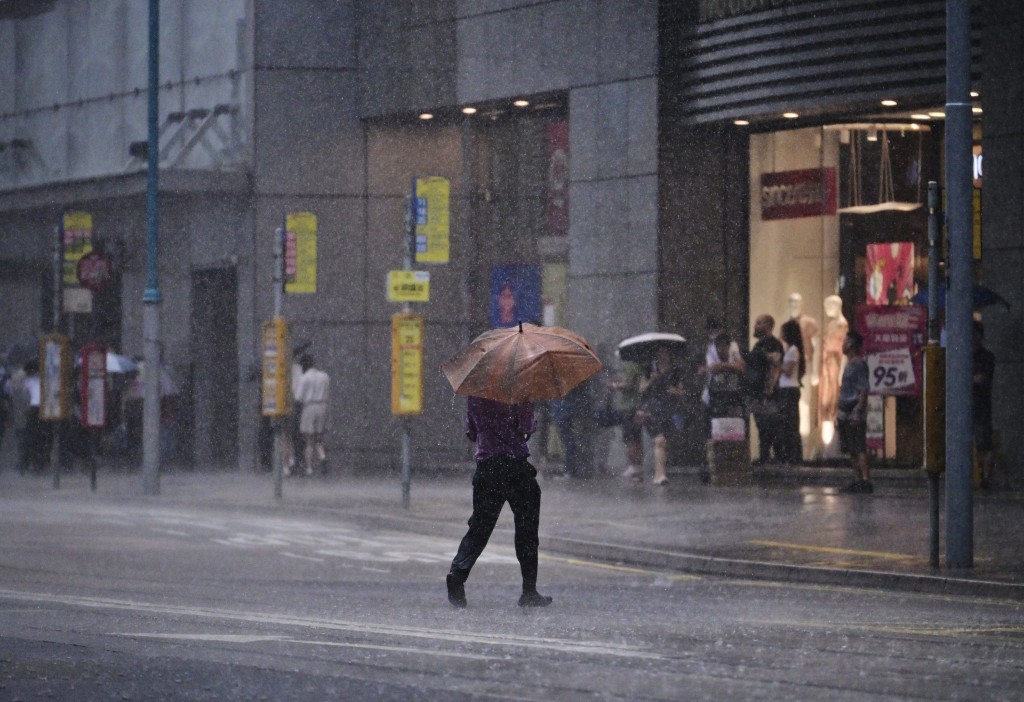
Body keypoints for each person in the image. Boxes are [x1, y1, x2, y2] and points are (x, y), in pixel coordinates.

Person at [446, 395, 551, 608]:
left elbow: (472, 432)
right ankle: (529, 590)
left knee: (480, 528)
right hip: (515, 467)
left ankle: (457, 574)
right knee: (527, 529)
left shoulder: (476, 393)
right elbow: (527, 426)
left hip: (487, 468)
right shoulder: (518, 391)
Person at [698, 319, 744, 480]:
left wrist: (723, 366)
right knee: (709, 430)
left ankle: (727, 465)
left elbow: (739, 366)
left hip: (728, 394)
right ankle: (709, 465)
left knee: (727, 430)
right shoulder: (710, 348)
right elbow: (713, 368)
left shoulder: (733, 346)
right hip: (712, 395)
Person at [636, 344, 685, 485]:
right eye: (660, 353)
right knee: (660, 440)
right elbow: (641, 389)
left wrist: (673, 391)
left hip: (669, 409)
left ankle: (658, 473)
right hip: (652, 409)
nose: (663, 356)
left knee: (664, 443)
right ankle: (661, 474)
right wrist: (651, 379)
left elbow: (681, 391)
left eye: (665, 353)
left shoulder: (675, 371)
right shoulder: (649, 369)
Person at [837, 330, 871, 494]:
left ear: (851, 345)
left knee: (858, 447)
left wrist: (858, 411)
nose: (842, 344)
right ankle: (857, 479)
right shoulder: (849, 364)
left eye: (845, 341)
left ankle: (865, 480)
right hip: (845, 411)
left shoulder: (858, 364)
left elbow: (863, 389)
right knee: (851, 448)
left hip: (853, 411)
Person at [747, 314, 783, 465]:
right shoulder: (759, 345)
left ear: (768, 325)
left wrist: (769, 388)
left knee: (769, 425)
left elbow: (775, 367)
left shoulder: (773, 344)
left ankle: (772, 457)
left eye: (759, 323)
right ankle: (765, 456)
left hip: (767, 394)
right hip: (756, 392)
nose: (755, 326)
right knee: (762, 425)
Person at [609, 360, 645, 481]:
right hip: (635, 406)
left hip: (629, 407)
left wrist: (614, 386)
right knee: (636, 437)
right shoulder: (639, 365)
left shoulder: (631, 365)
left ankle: (633, 466)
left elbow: (628, 384)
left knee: (631, 438)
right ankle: (637, 466)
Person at [294, 354, 329, 476]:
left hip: (309, 407)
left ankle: (309, 468)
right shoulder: (324, 376)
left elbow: (298, 397)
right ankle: (322, 456)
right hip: (322, 406)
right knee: (319, 437)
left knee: (309, 440)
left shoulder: (304, 378)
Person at [777, 319, 805, 465]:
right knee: (787, 423)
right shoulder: (788, 349)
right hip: (785, 388)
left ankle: (793, 456)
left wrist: (777, 363)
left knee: (790, 424)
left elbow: (788, 370)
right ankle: (788, 455)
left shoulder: (793, 350)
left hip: (789, 389)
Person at [818, 295, 848, 429]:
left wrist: (842, 372)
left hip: (834, 365)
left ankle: (832, 442)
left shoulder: (841, 325)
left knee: (831, 398)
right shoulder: (832, 324)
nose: (826, 310)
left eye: (828, 306)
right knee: (825, 397)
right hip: (826, 365)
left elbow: (844, 349)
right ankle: (828, 442)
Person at [973, 321, 996, 489]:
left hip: (981, 405)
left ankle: (985, 477)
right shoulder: (962, 355)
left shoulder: (987, 357)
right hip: (970, 405)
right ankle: (979, 474)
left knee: (984, 442)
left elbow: (982, 379)